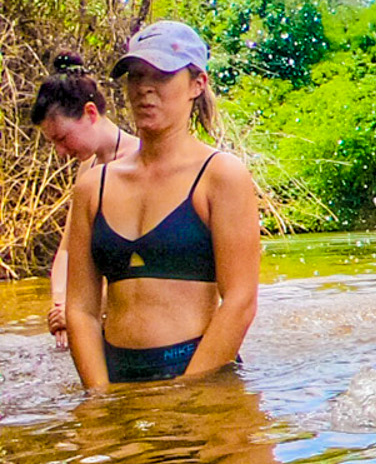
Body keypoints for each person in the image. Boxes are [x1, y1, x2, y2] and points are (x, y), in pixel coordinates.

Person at [60, 20, 262, 387]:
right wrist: (100, 398)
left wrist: (186, 394)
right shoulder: (94, 186)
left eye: (161, 76)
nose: (144, 89)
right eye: (135, 76)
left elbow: (240, 301)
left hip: (201, 374)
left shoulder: (221, 177)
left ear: (197, 84)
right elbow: (81, 309)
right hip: (115, 377)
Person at [28, 51, 141, 347]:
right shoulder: (87, 169)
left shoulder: (142, 161)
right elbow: (68, 250)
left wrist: (80, 308)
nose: (61, 153)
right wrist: (59, 305)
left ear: (91, 114)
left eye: (63, 139)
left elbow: (141, 260)